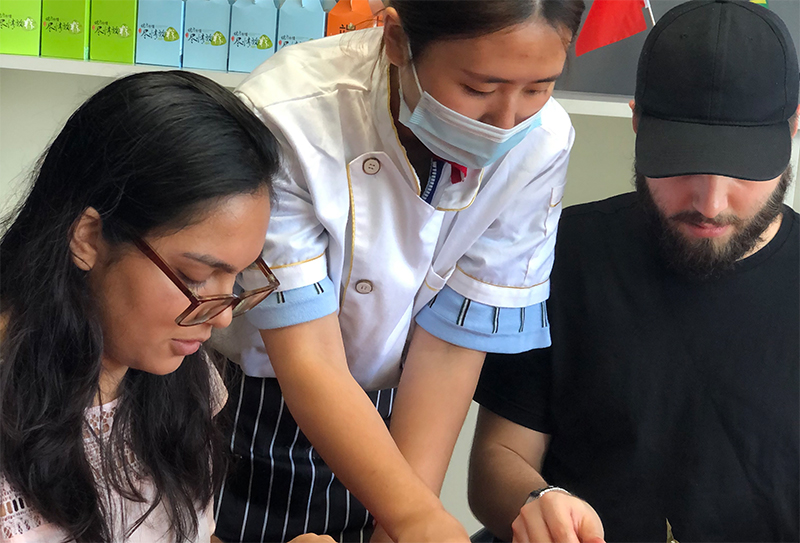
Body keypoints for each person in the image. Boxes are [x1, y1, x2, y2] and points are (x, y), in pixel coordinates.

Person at [209, 1, 586, 541]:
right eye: (479, 89)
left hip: (398, 412)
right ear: (396, 40)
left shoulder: (542, 141)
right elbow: (309, 355)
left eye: (538, 88)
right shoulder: (288, 114)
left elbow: (452, 343)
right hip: (244, 409)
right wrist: (414, 518)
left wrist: (407, 516)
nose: (507, 121)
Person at [468, 0, 800, 541]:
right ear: (637, 121)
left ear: (790, 129)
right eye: (681, 163)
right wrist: (537, 501)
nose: (710, 202)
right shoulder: (561, 253)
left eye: (742, 168)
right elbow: (497, 461)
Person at [0, 71, 332, 543]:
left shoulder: (178, 374)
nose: (219, 317)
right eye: (195, 277)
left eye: (238, 277)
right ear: (88, 236)